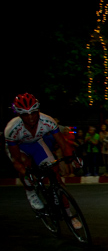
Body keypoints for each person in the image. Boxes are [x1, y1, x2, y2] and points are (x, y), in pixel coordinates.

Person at [4, 93, 80, 224]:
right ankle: (30, 191)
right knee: (25, 167)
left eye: (33, 112)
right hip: (19, 148)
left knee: (56, 176)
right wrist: (25, 173)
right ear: (19, 115)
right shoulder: (11, 129)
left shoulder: (48, 121)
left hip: (37, 144)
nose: (30, 117)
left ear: (38, 110)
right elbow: (16, 160)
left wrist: (71, 158)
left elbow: (63, 144)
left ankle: (68, 214)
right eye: (25, 114)